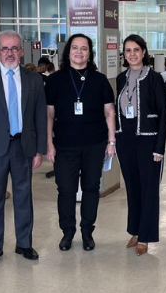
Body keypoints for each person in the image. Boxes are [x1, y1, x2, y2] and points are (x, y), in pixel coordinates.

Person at [0, 31, 47, 266]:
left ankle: (24, 243)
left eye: (14, 48)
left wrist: (39, 149)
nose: (10, 53)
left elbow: (40, 116)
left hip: (23, 146)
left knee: (24, 196)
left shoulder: (34, 79)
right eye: (5, 49)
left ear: (22, 51)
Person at [45, 33, 116, 252]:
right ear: (68, 52)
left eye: (84, 48)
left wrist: (111, 141)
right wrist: (49, 143)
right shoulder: (55, 80)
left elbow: (109, 112)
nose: (79, 52)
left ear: (89, 53)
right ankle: (67, 232)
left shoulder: (99, 79)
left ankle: (87, 231)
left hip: (95, 144)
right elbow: (48, 114)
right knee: (65, 190)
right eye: (75, 48)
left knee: (91, 188)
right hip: (65, 145)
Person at [114, 34, 166, 256]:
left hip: (148, 139)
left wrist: (159, 148)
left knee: (148, 190)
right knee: (133, 187)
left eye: (136, 50)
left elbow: (163, 115)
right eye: (128, 50)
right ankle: (135, 231)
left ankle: (146, 236)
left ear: (144, 52)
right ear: (124, 54)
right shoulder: (120, 78)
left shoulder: (155, 78)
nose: (132, 54)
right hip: (125, 140)